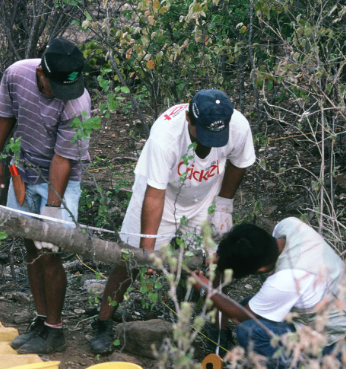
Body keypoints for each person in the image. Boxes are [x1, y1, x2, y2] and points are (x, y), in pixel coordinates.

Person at [91, 89, 256, 354]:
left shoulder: (237, 126)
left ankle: (217, 332)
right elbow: (154, 195)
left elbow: (239, 162)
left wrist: (224, 204)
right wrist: (147, 251)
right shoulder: (165, 135)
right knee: (130, 260)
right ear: (189, 118)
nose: (209, 144)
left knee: (215, 262)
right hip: (161, 195)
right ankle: (103, 322)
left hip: (205, 195)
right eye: (203, 135)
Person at [0, 38, 91, 355]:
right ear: (41, 74)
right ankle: (42, 320)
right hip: (24, 168)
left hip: (60, 177)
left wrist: (53, 208)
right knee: (30, 246)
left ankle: (55, 330)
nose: (63, 95)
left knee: (50, 250)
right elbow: (6, 116)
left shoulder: (77, 103)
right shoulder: (17, 74)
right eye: (55, 87)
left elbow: (63, 159)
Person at [189, 219, 346, 369]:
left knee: (249, 331)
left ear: (262, 269)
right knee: (247, 306)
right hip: (338, 313)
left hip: (340, 344)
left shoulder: (286, 279)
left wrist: (205, 289)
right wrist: (223, 257)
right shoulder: (289, 226)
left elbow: (239, 317)